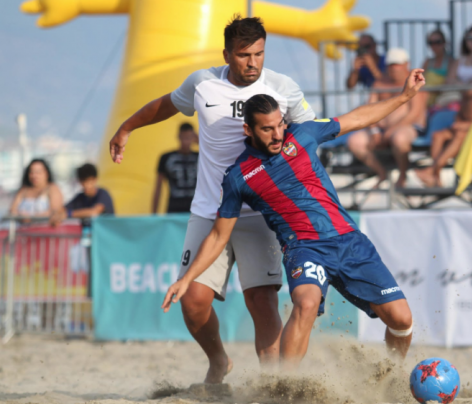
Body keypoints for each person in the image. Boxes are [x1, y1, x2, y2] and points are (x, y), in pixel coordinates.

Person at [162, 69, 425, 370]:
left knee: (402, 319)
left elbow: (357, 118)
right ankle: (285, 385)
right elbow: (219, 236)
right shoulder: (238, 177)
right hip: (303, 248)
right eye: (267, 129)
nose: (277, 135)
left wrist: (404, 96)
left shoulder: (303, 134)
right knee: (306, 302)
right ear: (248, 130)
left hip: (349, 240)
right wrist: (186, 279)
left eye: (280, 125)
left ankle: (388, 378)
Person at [108, 16, 316, 384]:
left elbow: (310, 137)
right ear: (227, 54)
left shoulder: (283, 88)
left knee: (261, 301)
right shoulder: (203, 83)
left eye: (259, 53)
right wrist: (127, 128)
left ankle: (275, 385)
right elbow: (166, 105)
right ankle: (219, 360)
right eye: (243, 55)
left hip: (259, 215)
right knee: (192, 302)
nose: (253, 63)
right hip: (209, 212)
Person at [417, 47, 472, 187]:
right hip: (464, 123)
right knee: (437, 136)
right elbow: (464, 104)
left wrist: (470, 125)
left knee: (459, 134)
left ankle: (432, 170)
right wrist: (459, 119)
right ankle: (436, 178)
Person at [347, 48, 428, 188]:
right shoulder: (379, 84)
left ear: (406, 64)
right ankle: (381, 173)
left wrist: (391, 131)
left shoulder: (415, 82)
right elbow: (369, 109)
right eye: (391, 64)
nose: (394, 68)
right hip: (382, 129)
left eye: (397, 64)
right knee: (354, 141)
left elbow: (414, 113)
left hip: (407, 127)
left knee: (399, 139)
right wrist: (375, 131)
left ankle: (402, 176)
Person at [152, 123, 199, 213]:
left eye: (189, 138)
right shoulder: (166, 158)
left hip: (196, 208)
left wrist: (200, 142)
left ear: (193, 138)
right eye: (183, 137)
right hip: (174, 208)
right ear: (178, 137)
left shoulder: (200, 157)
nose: (186, 142)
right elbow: (158, 187)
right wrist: (154, 214)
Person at [50, 163, 114, 226]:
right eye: (83, 181)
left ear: (95, 180)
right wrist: (56, 216)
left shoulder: (103, 194)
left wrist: (69, 214)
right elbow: (62, 209)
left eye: (89, 181)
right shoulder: (80, 197)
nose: (86, 185)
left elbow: (94, 212)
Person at [422, 29, 454, 110]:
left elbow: (448, 83)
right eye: (431, 43)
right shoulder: (427, 62)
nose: (434, 46)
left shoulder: (451, 62)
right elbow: (419, 82)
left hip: (442, 101)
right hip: (425, 100)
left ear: (444, 43)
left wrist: (430, 89)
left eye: (438, 42)